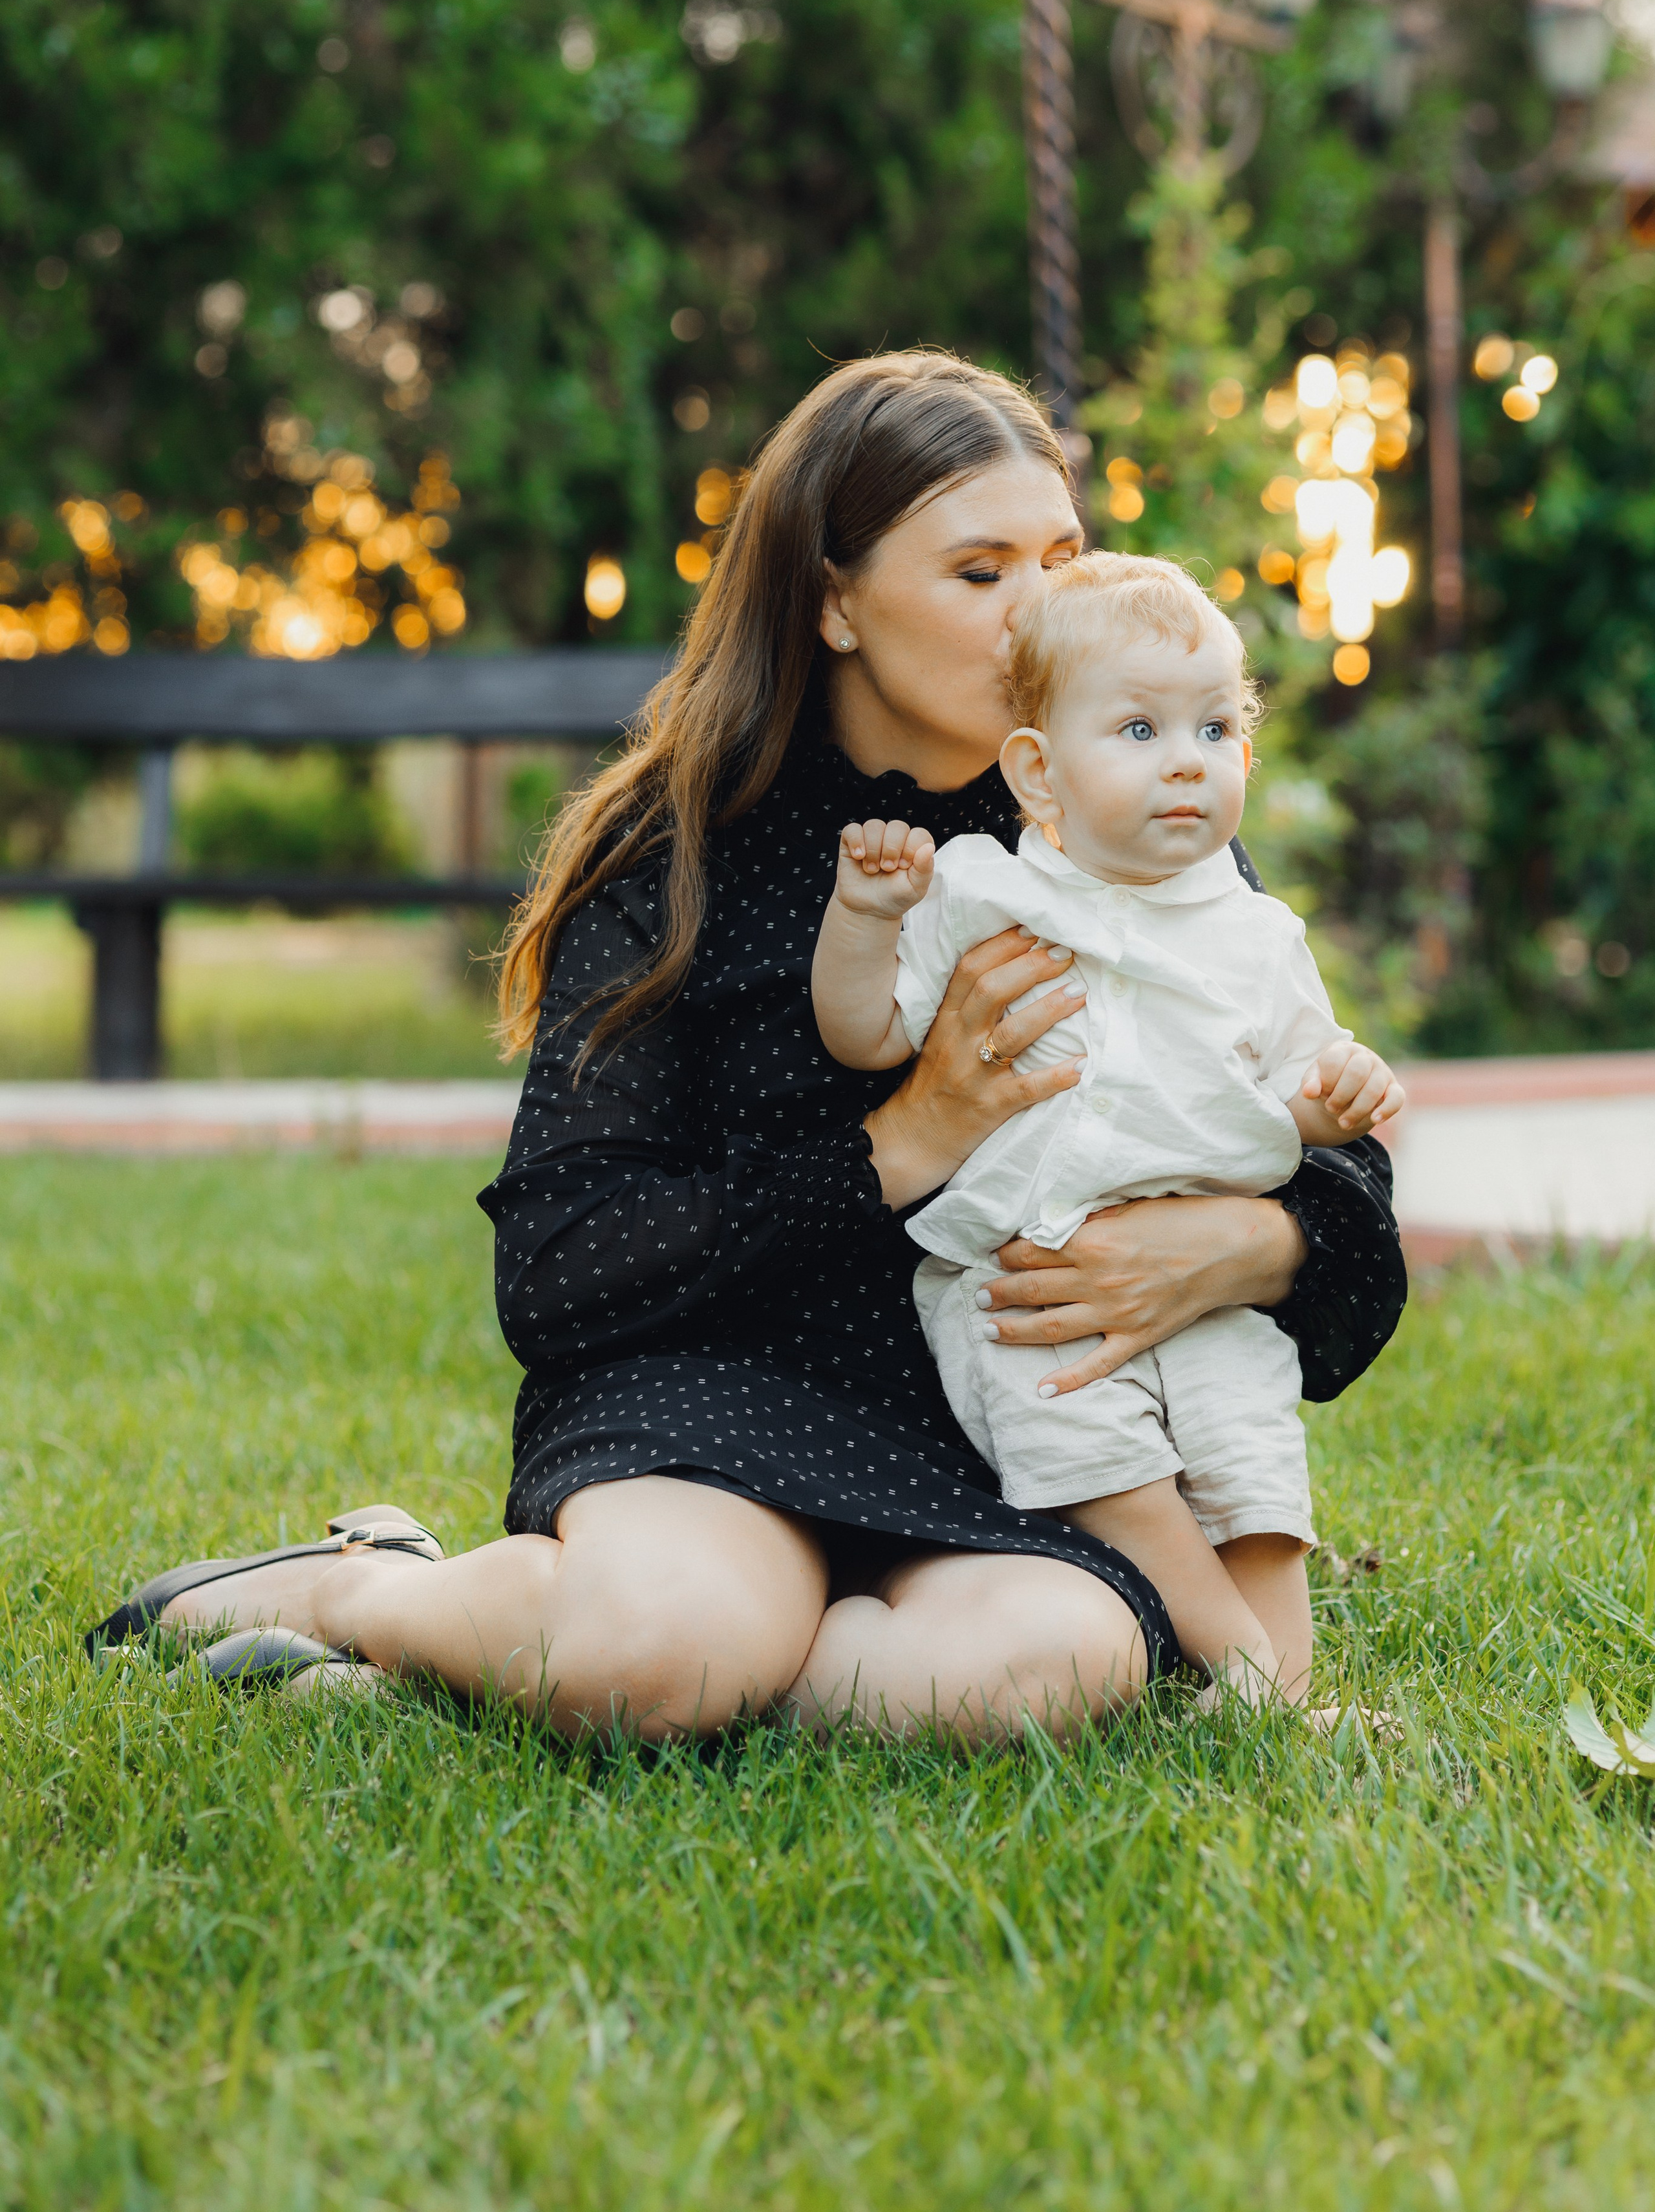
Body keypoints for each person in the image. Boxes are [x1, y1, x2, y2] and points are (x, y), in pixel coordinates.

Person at [90, 352, 1405, 1740]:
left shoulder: (1118, 815)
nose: (1046, 608)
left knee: (1051, 1666)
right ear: (834, 600)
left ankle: (617, 1645)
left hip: (1003, 1431)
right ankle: (367, 1595)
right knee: (661, 1657)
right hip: (716, 1396)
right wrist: (908, 1138)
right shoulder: (676, 852)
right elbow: (555, 1274)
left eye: (1062, 557)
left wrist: (1248, 1245)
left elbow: (1342, 1190)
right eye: (980, 572)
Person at [811, 551, 1405, 1715]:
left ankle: (1285, 1692)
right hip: (1020, 1278)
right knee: (1106, 1458)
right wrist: (866, 916)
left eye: (1217, 727)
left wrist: (1333, 1100)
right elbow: (867, 1033)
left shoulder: (1257, 935)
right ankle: (1238, 1670)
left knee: (1254, 1468)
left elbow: (1296, 1110)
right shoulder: (982, 888)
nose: (1188, 757)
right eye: (1138, 729)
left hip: (1207, 1288)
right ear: (1037, 771)